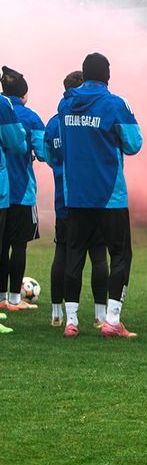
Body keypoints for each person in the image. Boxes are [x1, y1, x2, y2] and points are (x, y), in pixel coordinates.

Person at [59, 52, 142, 338]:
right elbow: (133, 144)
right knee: (120, 254)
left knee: (75, 253)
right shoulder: (116, 104)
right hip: (110, 195)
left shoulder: (65, 103)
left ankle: (71, 322)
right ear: (107, 75)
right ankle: (112, 321)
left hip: (76, 194)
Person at [43, 71, 109, 327]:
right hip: (94, 198)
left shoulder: (54, 122)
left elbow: (49, 157)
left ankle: (57, 314)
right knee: (98, 256)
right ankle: (100, 315)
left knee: (64, 252)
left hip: (64, 198)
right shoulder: (93, 118)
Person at [0, 66, 44, 311]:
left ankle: (1, 299)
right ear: (24, 95)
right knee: (19, 246)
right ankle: (16, 299)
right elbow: (45, 152)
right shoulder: (31, 117)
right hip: (22, 192)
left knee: (1, 246)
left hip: (3, 194)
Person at [0, 79, 27, 327]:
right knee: (15, 245)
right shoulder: (3, 105)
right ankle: (13, 298)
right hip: (8, 193)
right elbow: (17, 143)